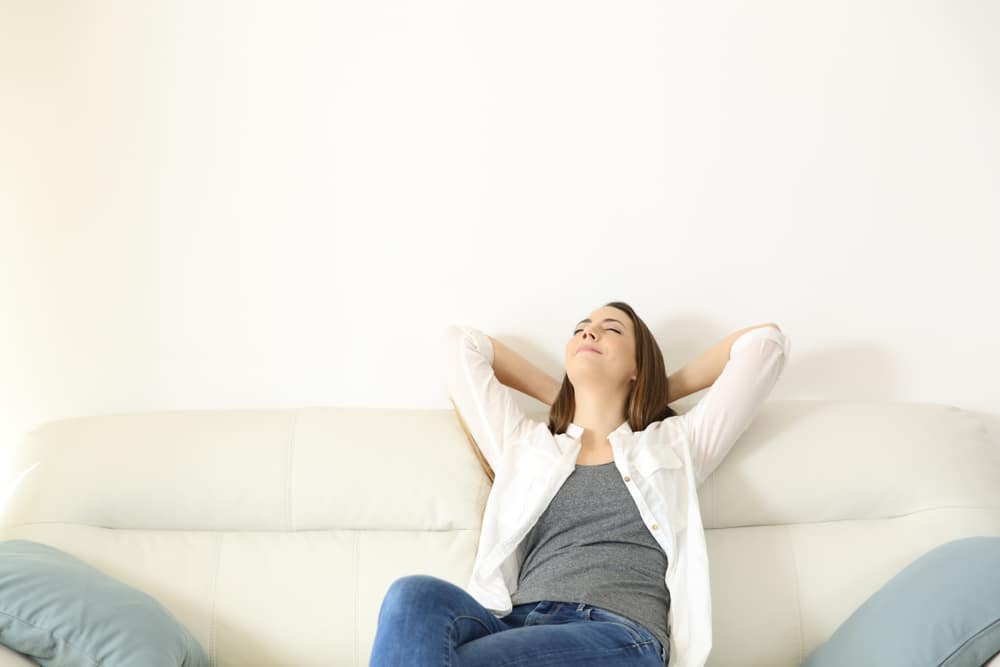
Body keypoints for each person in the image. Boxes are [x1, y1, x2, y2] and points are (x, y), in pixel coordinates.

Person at [369, 301, 790, 666]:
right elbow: (460, 345)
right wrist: (563, 393)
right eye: (580, 329)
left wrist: (655, 389)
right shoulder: (525, 447)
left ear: (637, 366)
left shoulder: (675, 445)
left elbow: (764, 345)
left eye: (612, 329)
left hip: (619, 637)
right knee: (412, 598)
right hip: (512, 625)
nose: (589, 330)